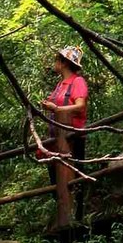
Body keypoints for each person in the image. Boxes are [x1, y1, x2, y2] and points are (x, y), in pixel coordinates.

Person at [40, 46, 89, 222]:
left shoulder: (78, 82)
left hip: (72, 138)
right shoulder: (60, 85)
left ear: (63, 63)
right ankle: (64, 218)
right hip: (56, 140)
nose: (55, 63)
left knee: (73, 179)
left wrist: (57, 108)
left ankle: (77, 220)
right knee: (56, 179)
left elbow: (80, 105)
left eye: (56, 60)